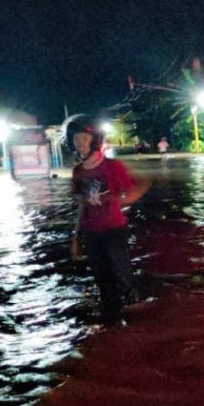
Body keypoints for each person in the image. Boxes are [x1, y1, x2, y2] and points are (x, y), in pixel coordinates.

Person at [65, 115, 151, 325]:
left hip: (114, 229)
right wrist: (76, 238)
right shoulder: (77, 172)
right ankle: (111, 320)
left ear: (94, 140)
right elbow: (82, 205)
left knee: (122, 274)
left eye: (84, 139)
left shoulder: (113, 166)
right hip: (91, 232)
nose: (80, 144)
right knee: (102, 278)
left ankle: (139, 322)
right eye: (76, 140)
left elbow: (141, 183)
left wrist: (121, 200)